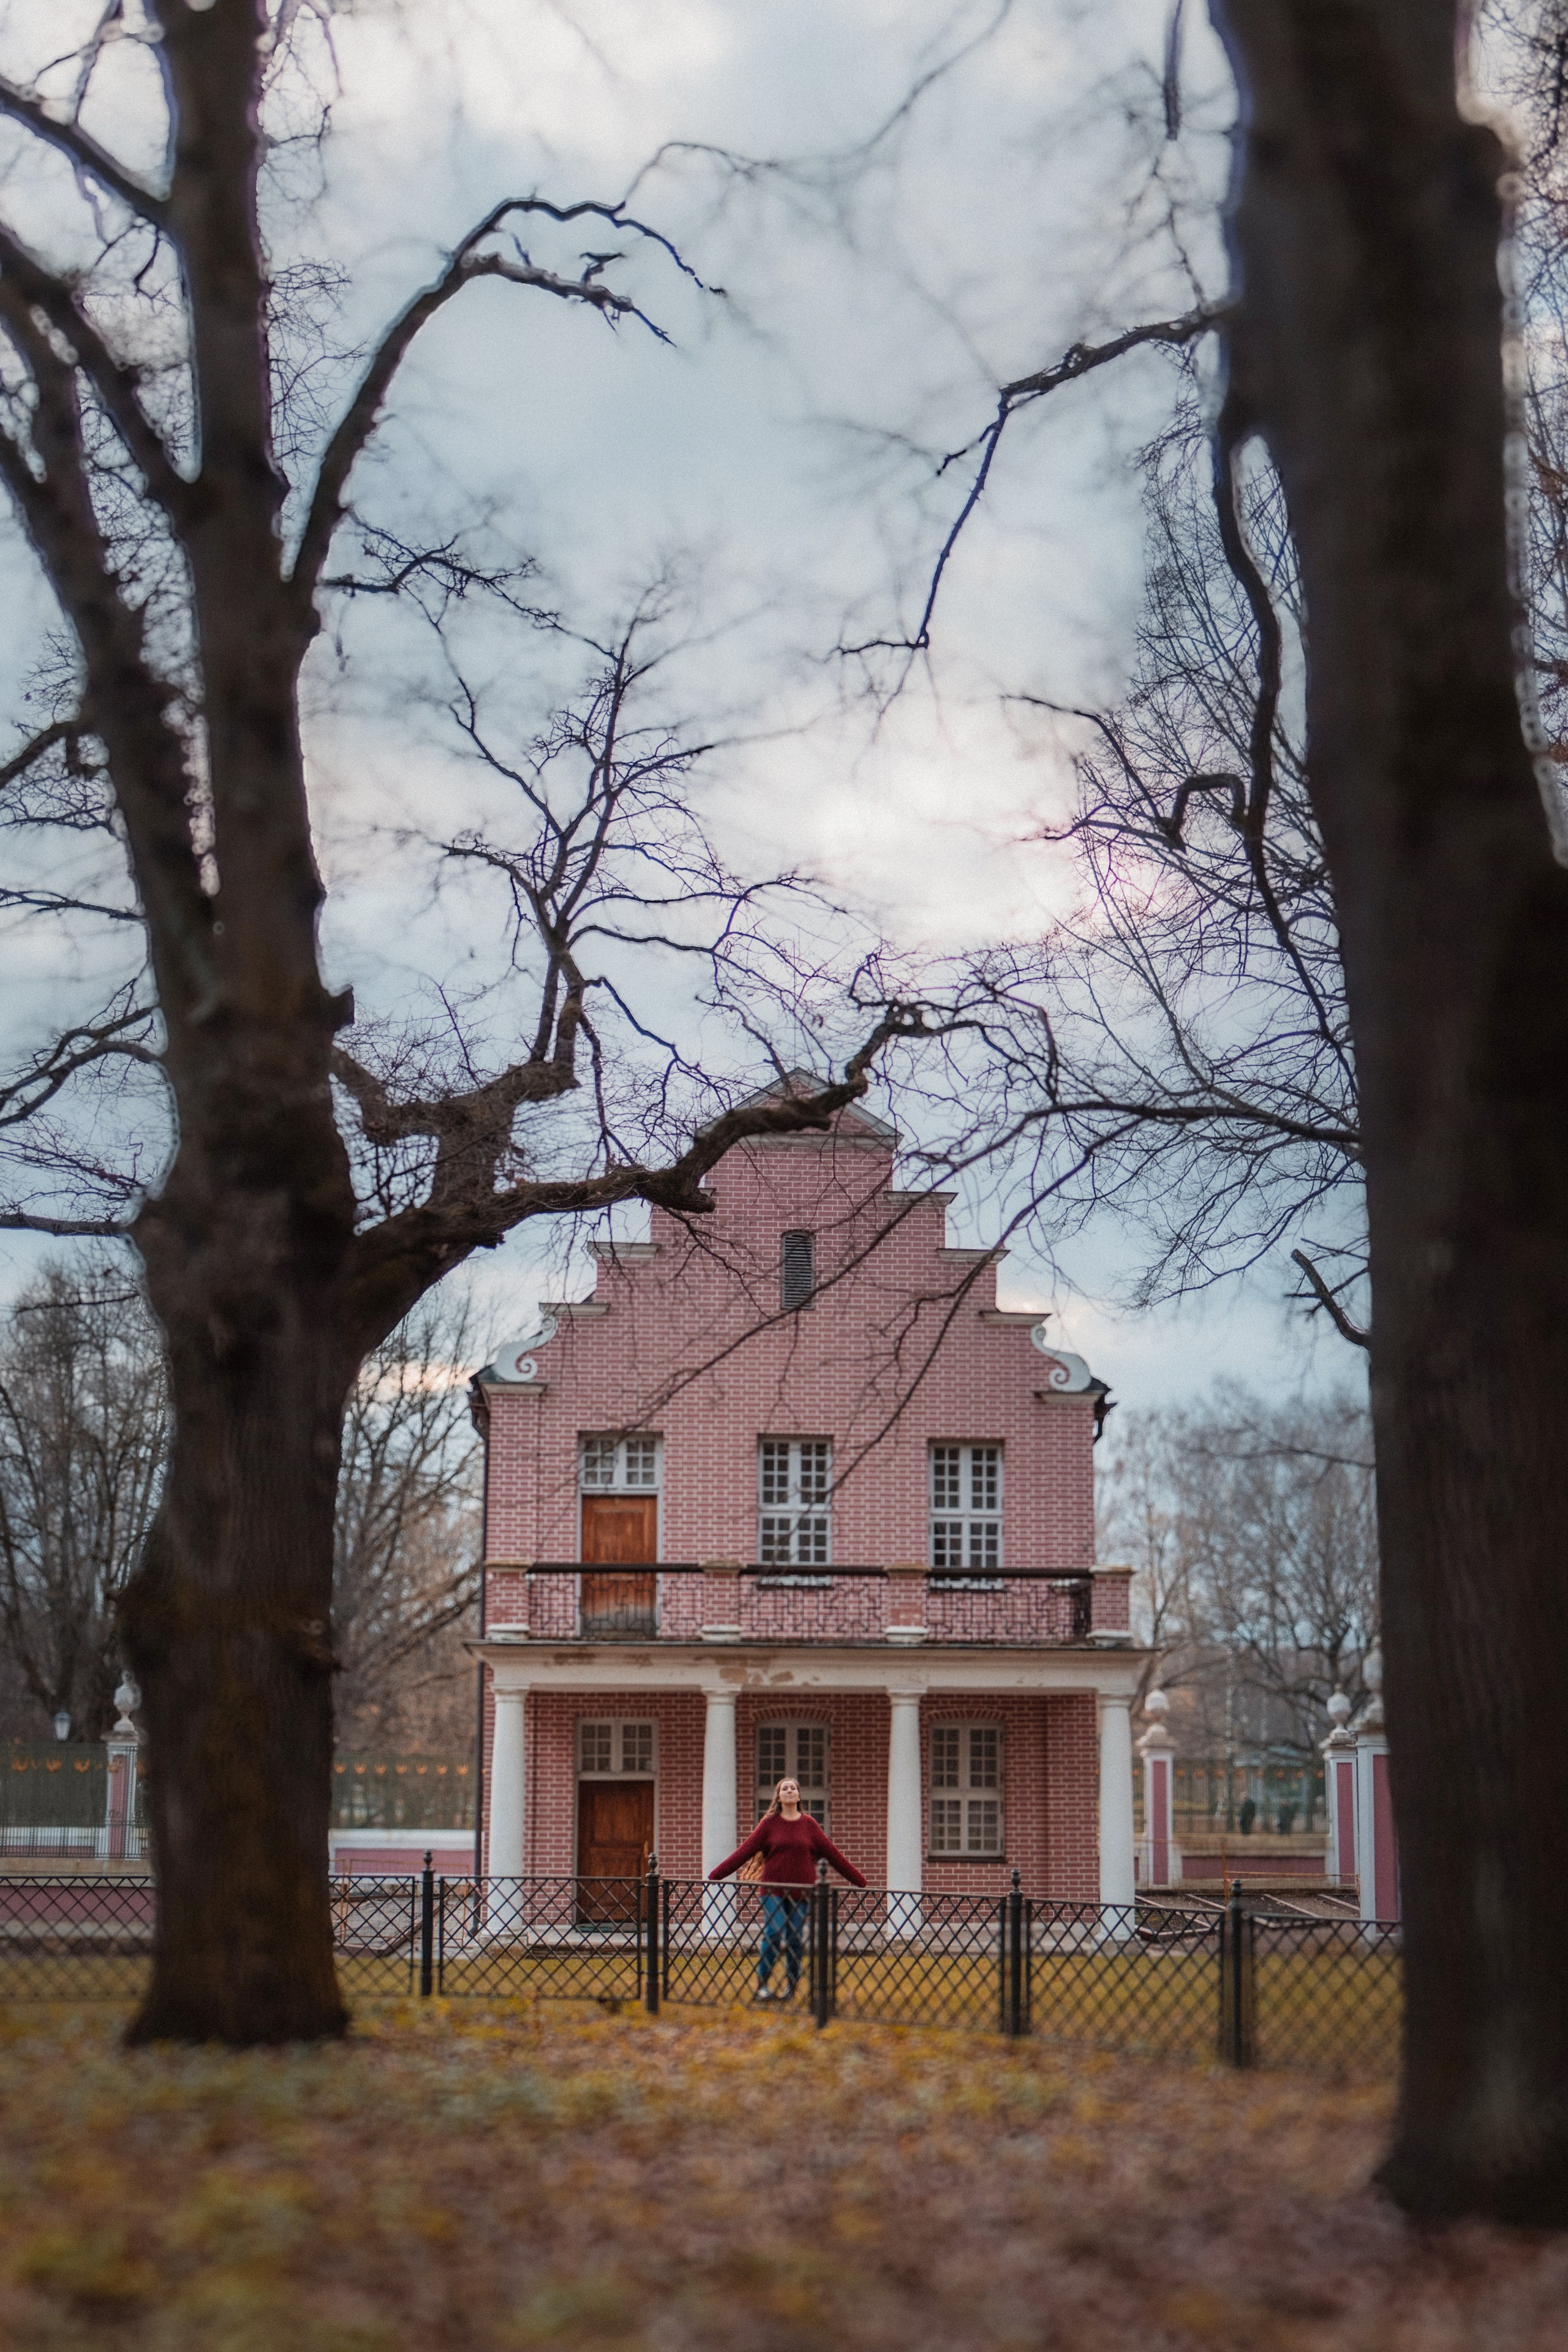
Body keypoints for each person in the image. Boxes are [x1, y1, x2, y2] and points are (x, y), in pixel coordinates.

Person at [707, 1777, 867, 2001]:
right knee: (774, 1932)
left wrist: (860, 1881)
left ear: (799, 1796)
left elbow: (833, 1854)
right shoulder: (769, 1825)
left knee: (794, 1939)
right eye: (785, 1788)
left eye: (793, 1788)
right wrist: (716, 1875)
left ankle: (791, 1987)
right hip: (773, 1890)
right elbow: (744, 1851)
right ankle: (762, 1986)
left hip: (801, 1892)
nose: (789, 1790)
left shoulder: (809, 1825)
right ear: (779, 1796)